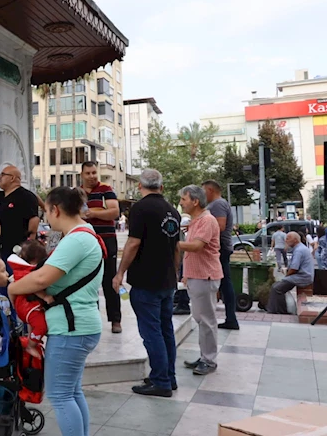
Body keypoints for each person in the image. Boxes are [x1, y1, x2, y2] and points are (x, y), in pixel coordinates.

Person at [8, 187, 103, 436]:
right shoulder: (86, 233)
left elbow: (41, 279)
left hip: (71, 328)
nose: (46, 218)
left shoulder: (76, 240)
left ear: (55, 209)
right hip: (81, 324)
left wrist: (13, 288)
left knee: (61, 396)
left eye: (46, 212)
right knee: (72, 392)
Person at [113, 169, 181, 397]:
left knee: (151, 332)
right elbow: (176, 247)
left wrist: (120, 272)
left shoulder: (140, 209)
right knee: (165, 330)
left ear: (140, 187)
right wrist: (176, 273)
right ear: (161, 187)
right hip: (167, 280)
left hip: (146, 280)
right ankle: (168, 377)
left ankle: (160, 381)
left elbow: (133, 243)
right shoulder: (173, 211)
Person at [178, 185, 222, 376]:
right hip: (196, 276)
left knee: (207, 319)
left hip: (206, 276)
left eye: (183, 199)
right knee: (200, 318)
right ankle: (204, 356)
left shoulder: (207, 220)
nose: (181, 203)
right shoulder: (196, 221)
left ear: (195, 201)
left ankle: (209, 360)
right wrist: (186, 274)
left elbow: (196, 246)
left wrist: (172, 243)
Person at [80, 161, 122, 333]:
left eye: (94, 172)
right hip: (84, 242)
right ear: (82, 174)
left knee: (110, 281)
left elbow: (114, 212)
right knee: (87, 282)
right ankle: (92, 320)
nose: (91, 176)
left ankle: (115, 320)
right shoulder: (77, 193)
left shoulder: (106, 190)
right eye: (88, 173)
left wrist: (92, 213)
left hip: (107, 241)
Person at [0, 165, 40, 265]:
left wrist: (28, 248)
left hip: (18, 250)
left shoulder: (27, 196)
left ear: (12, 178)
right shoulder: (0, 197)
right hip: (0, 248)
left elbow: (34, 222)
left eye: (3, 174)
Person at [202, 180, 239, 331]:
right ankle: (230, 317)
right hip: (222, 247)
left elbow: (219, 226)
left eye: (203, 190)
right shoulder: (219, 204)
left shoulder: (217, 204)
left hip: (220, 247)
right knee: (224, 283)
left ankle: (231, 318)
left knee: (225, 283)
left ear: (210, 190)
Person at [7, 239, 51, 354]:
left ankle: (32, 341)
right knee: (41, 326)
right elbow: (34, 286)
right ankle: (31, 346)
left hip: (23, 307)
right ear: (34, 261)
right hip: (28, 307)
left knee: (32, 325)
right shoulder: (27, 272)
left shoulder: (19, 270)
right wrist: (45, 296)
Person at [267, 232, 315, 314]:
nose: (286, 240)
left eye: (288, 238)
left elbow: (293, 269)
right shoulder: (299, 248)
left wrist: (286, 277)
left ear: (295, 240)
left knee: (277, 288)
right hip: (302, 275)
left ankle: (279, 310)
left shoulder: (299, 250)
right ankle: (274, 308)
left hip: (302, 277)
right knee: (276, 286)